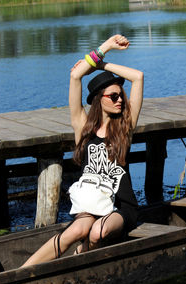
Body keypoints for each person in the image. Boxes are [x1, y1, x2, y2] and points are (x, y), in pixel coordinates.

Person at [21, 34, 144, 267]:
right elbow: (75, 75)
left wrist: (101, 64)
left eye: (121, 96)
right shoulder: (83, 128)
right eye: (114, 96)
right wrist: (106, 46)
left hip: (120, 206)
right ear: (99, 100)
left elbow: (138, 77)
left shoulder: (125, 128)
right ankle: (21, 273)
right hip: (91, 204)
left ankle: (81, 261)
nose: (120, 101)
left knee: (97, 232)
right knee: (74, 230)